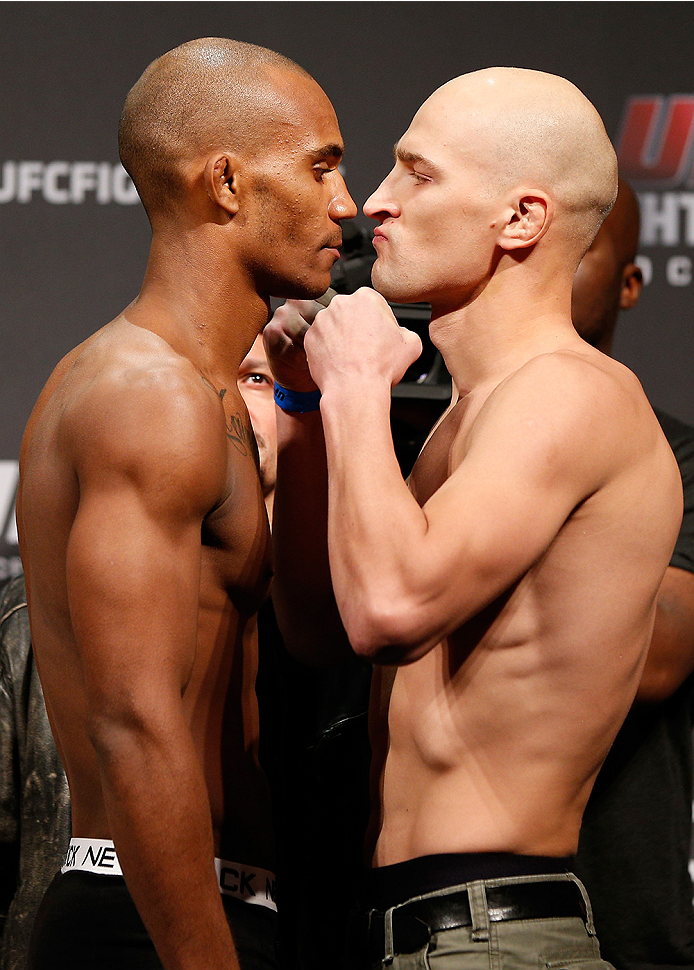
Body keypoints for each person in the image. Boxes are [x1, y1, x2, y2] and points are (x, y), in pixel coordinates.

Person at [264, 68, 683, 970]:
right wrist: (305, 410)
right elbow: (316, 629)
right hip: (412, 924)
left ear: (521, 219)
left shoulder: (570, 394)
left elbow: (389, 613)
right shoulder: (468, 418)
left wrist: (356, 388)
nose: (374, 203)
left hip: (487, 933)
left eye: (418, 175)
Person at [17, 36, 355, 970]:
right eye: (322, 166)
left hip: (207, 905)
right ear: (227, 183)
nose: (347, 205)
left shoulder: (213, 396)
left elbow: (315, 633)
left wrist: (307, 407)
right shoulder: (147, 397)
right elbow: (135, 721)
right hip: (155, 918)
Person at [571, 181, 694, 970]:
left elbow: (651, 659)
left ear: (629, 281)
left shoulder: (681, 460)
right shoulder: (396, 442)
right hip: (406, 914)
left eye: (576, 247)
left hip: (623, 920)